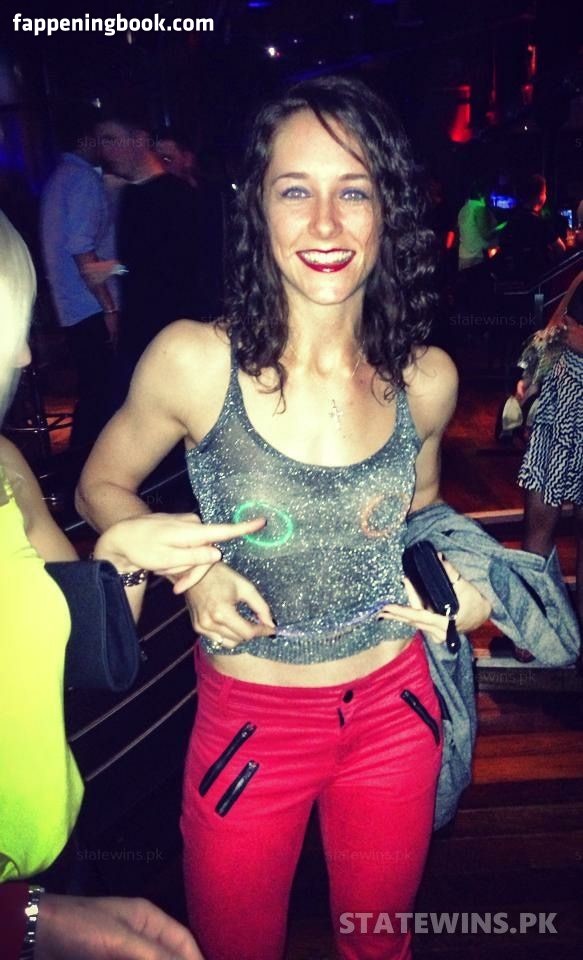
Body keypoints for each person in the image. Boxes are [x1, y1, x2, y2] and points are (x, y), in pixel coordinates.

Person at [76, 76, 491, 960]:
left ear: (388, 211)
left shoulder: (426, 378)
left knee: (378, 946)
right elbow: (99, 486)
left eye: (354, 192)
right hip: (251, 723)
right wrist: (193, 570)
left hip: (396, 708)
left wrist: (460, 583)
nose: (326, 224)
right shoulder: (194, 360)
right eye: (295, 191)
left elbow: (420, 513)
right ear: (257, 209)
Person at [0, 209, 266, 959]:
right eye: (7, 325)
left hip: (53, 859)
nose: (26, 353)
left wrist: (125, 555)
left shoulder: (5, 466)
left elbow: (85, 655)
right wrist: (22, 924)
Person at [96, 112, 202, 406]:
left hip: (173, 338)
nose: (104, 150)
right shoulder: (130, 195)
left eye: (111, 139)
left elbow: (179, 269)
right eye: (101, 141)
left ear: (140, 139)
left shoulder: (178, 197)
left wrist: (117, 268)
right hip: (139, 336)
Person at [40, 103, 120, 450]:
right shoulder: (82, 180)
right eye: (103, 137)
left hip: (72, 305)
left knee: (95, 394)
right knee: (101, 397)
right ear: (86, 139)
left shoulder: (59, 179)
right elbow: (81, 250)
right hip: (89, 307)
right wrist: (110, 308)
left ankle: (83, 466)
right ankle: (85, 469)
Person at [517, 270, 583, 640]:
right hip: (560, 401)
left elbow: (570, 334)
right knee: (538, 515)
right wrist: (532, 380)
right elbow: (556, 326)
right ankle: (532, 630)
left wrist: (578, 339)